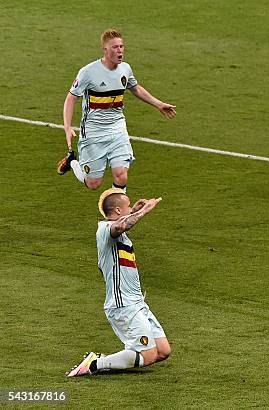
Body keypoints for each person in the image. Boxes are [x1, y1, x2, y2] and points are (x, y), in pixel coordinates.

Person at [66, 188, 170, 376]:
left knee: (162, 351)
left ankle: (108, 362)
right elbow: (121, 226)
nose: (131, 207)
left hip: (137, 303)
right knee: (147, 355)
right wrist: (144, 211)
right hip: (123, 305)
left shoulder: (118, 232)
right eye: (128, 206)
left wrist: (134, 210)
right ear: (118, 211)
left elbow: (124, 224)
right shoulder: (104, 229)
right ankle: (95, 363)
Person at [57, 28, 176, 191]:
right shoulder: (88, 72)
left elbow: (136, 89)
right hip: (94, 132)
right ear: (105, 50)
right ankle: (72, 162)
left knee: (121, 175)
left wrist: (159, 104)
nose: (120, 50)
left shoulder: (125, 69)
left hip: (117, 129)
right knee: (94, 184)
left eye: (121, 46)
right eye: (115, 47)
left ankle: (117, 217)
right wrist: (67, 127)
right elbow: (71, 98)